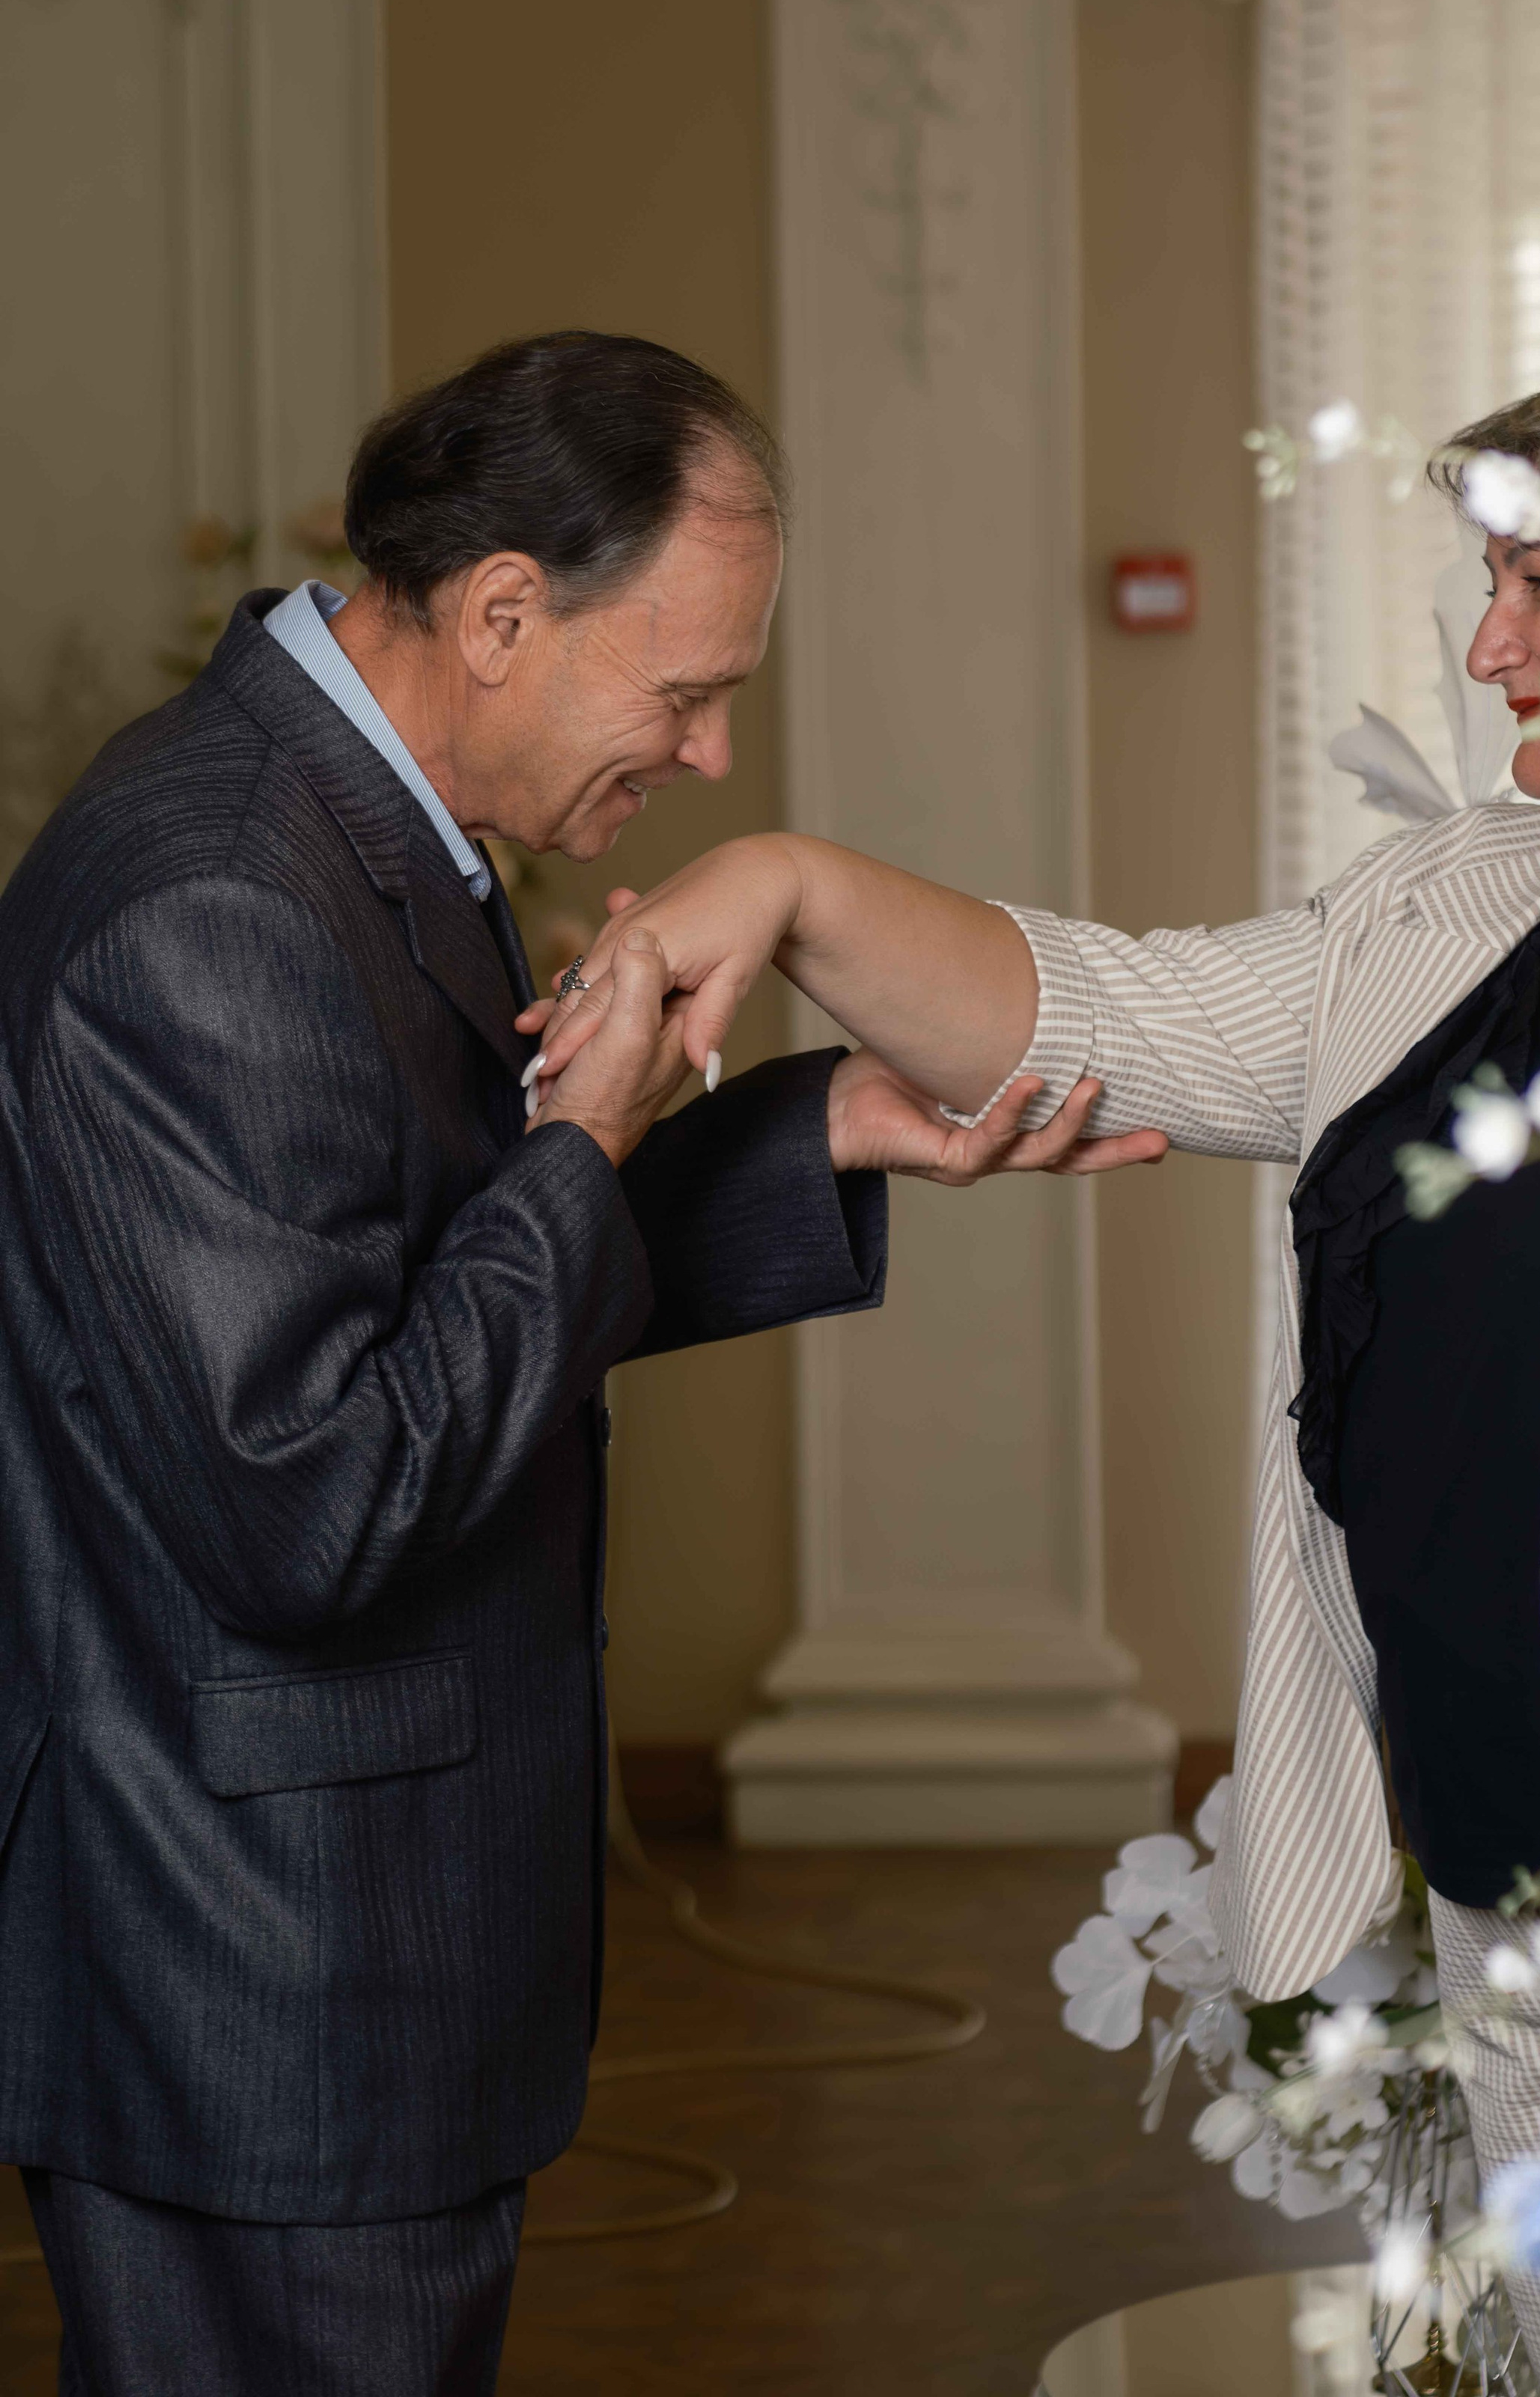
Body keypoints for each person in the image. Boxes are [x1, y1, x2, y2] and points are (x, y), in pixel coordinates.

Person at [535, 340, 1540, 2397]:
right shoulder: (1460, 904)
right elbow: (1106, 1016)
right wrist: (787, 883)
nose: (1486, 643)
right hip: (1503, 1907)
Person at [0, 329, 1128, 2397]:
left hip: (335, 1946)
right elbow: (325, 1500)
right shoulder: (215, 902)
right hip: (261, 1970)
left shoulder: (359, 829)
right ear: (502, 611)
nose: (704, 761)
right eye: (686, 692)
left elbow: (437, 1277)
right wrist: (587, 1138)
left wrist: (820, 1133)